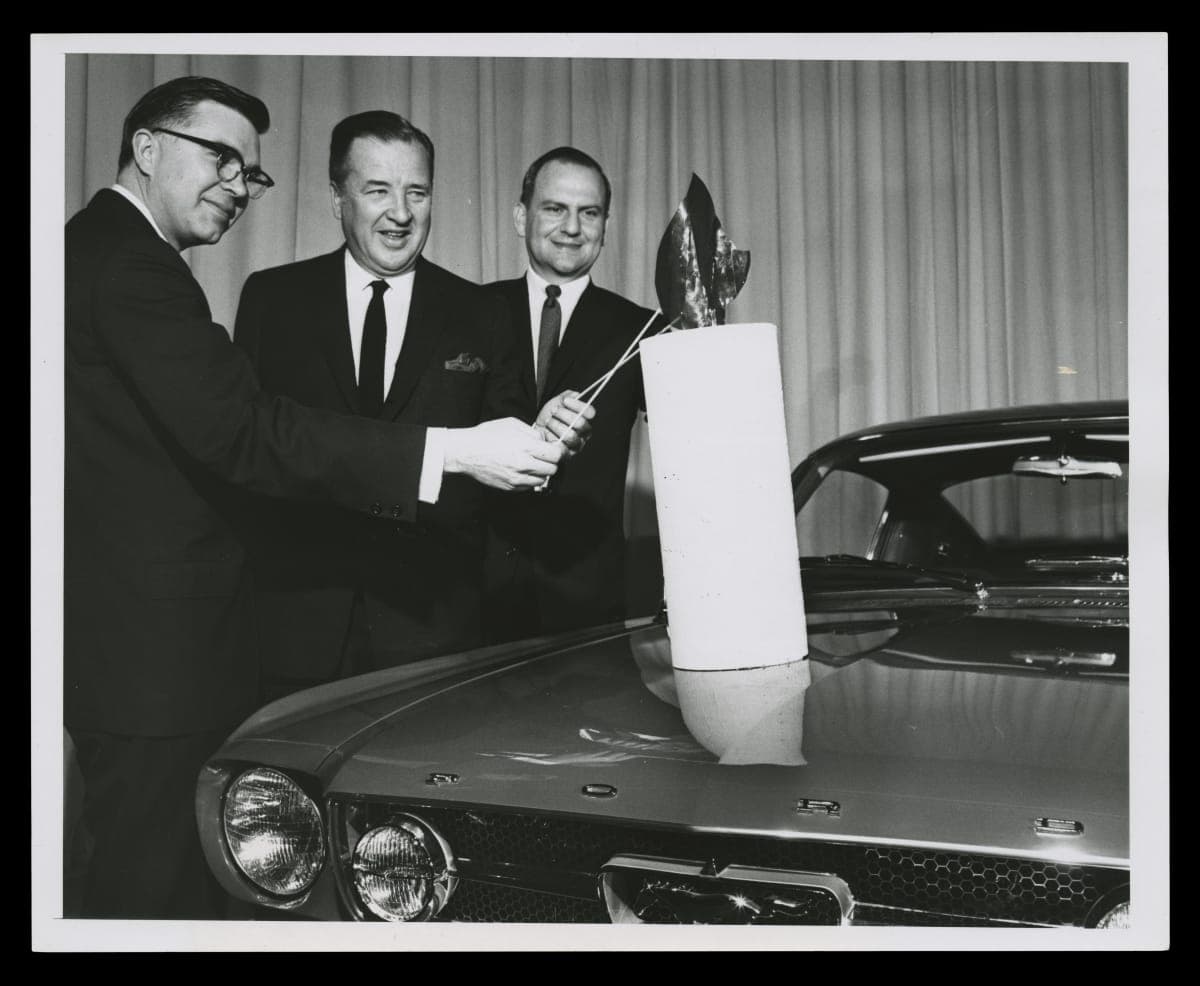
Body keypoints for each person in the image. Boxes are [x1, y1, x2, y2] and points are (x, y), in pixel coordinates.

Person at [64, 77, 568, 918]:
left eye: (249, 172)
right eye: (218, 157)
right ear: (147, 149)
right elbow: (250, 435)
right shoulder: (129, 266)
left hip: (346, 641)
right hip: (160, 661)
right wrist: (451, 451)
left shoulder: (109, 254)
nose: (234, 184)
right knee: (159, 892)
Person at [232, 112, 592, 695]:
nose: (400, 214)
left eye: (416, 192)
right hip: (292, 626)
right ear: (336, 197)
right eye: (378, 190)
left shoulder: (482, 313)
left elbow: (506, 440)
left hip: (432, 633)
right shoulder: (273, 300)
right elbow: (246, 454)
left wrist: (544, 436)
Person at [484, 147, 665, 642]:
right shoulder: (468, 311)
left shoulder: (645, 329)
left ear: (606, 226)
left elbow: (699, 437)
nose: (571, 227)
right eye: (554, 208)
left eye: (589, 213)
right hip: (470, 598)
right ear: (522, 216)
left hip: (585, 605)